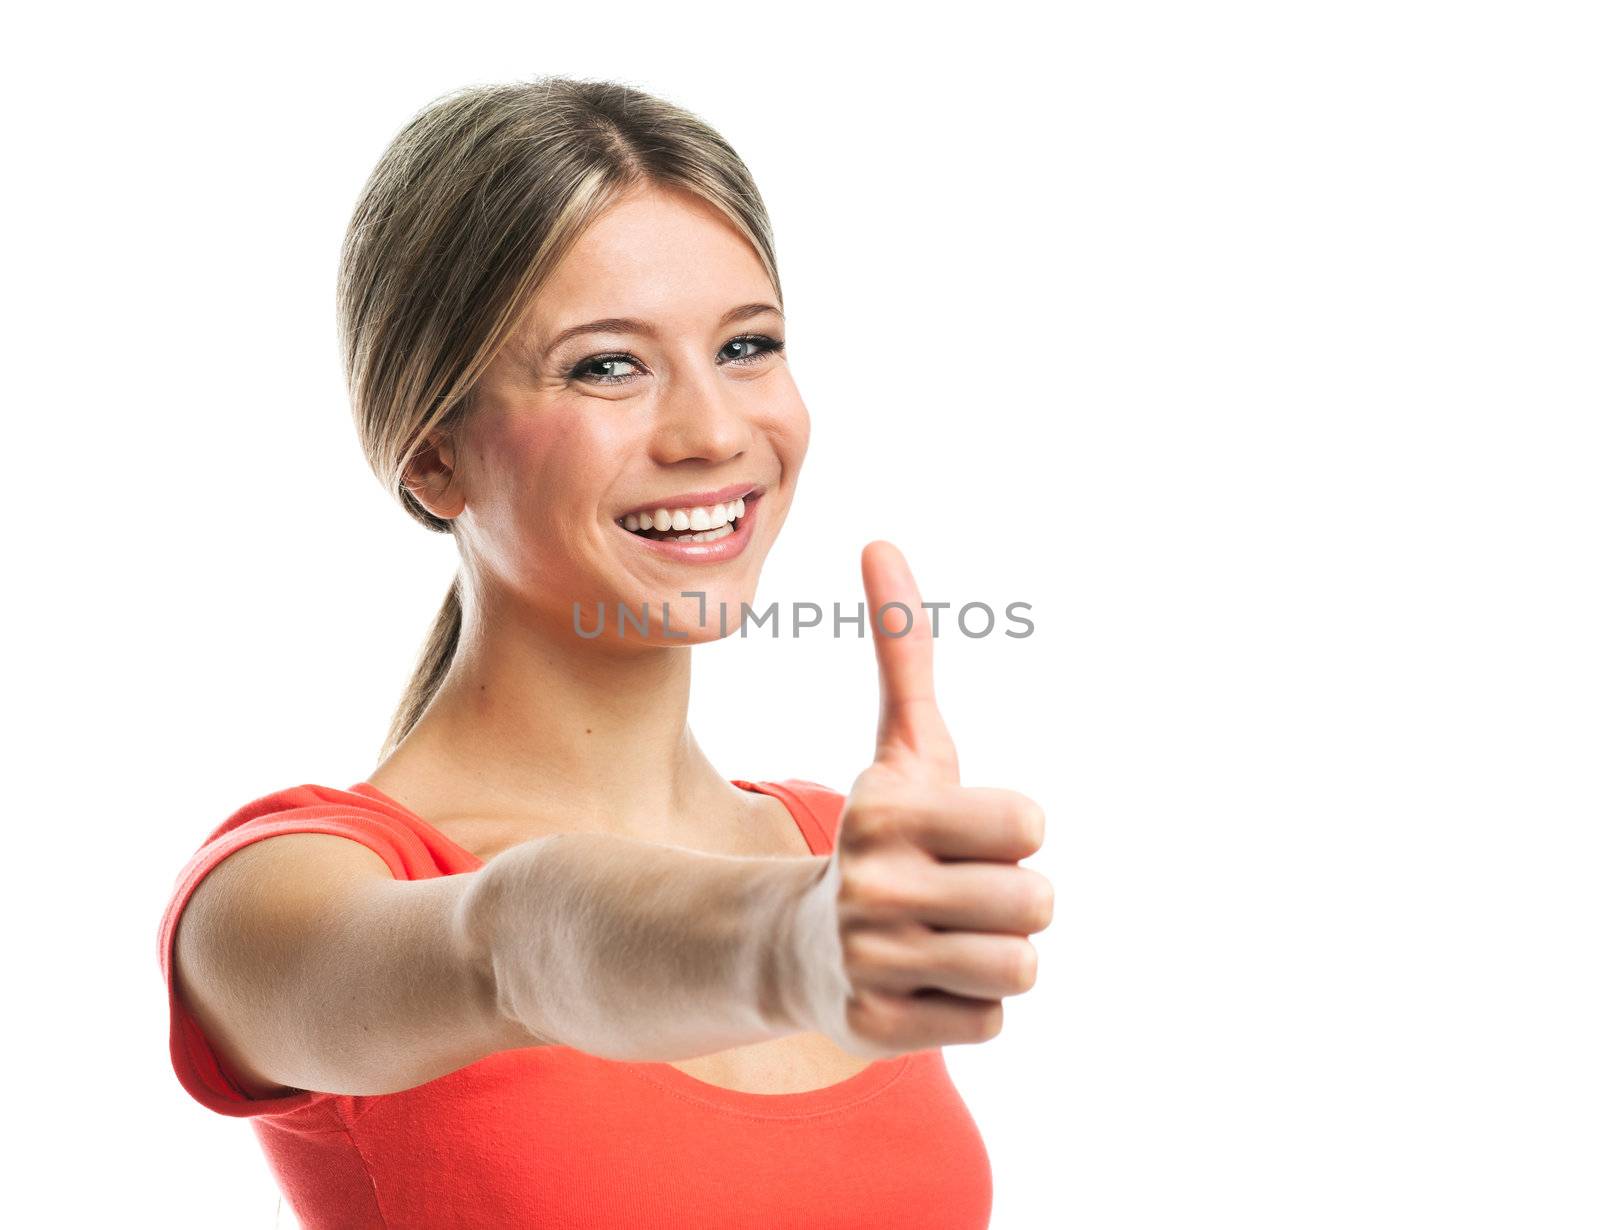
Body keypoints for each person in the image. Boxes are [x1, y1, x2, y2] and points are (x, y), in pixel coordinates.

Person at [157, 77, 1053, 1229]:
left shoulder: (836, 847)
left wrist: (830, 912)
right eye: (606, 365)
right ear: (432, 458)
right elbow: (513, 947)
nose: (715, 433)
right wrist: (791, 942)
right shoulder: (281, 899)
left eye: (748, 345)